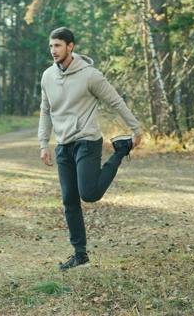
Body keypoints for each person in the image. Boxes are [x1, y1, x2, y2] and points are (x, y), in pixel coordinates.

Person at [38, 27, 143, 270]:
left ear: (70, 46)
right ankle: (80, 255)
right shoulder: (47, 76)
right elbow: (46, 110)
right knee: (69, 201)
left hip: (87, 140)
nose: (53, 50)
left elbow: (116, 101)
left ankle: (120, 151)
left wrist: (135, 129)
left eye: (58, 46)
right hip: (63, 145)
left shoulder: (90, 75)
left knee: (90, 193)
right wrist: (44, 143)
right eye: (51, 46)